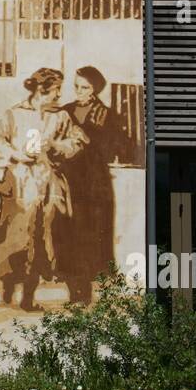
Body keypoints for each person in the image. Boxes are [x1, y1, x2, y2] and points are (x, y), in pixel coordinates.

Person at [0, 67, 87, 311]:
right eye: (55, 90)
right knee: (14, 238)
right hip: (19, 184)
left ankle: (29, 296)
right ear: (41, 90)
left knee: (41, 239)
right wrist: (17, 154)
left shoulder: (60, 116)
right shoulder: (14, 114)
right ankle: (8, 285)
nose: (59, 95)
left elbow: (77, 141)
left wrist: (56, 145)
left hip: (48, 185)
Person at [59, 66, 123, 304]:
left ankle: (85, 292)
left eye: (84, 87)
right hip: (69, 183)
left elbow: (114, 149)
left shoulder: (107, 115)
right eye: (76, 86)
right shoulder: (64, 111)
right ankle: (74, 289)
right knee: (68, 235)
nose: (79, 91)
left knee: (90, 236)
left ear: (95, 89)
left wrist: (87, 139)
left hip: (95, 186)